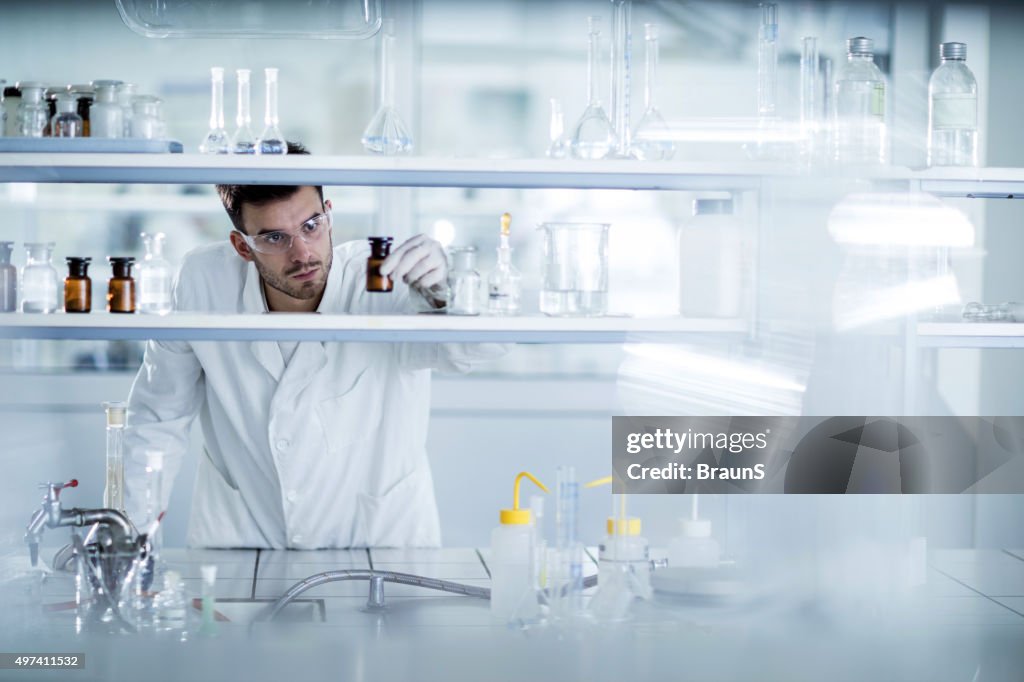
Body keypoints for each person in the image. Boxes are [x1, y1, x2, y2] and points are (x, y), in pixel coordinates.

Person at [123, 144, 504, 549]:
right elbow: (157, 418)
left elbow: (477, 349)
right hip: (245, 543)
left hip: (378, 546)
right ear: (241, 247)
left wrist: (447, 292)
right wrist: (130, 535)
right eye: (274, 237)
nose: (302, 253)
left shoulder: (381, 280)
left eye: (311, 226)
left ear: (330, 214)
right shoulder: (204, 281)